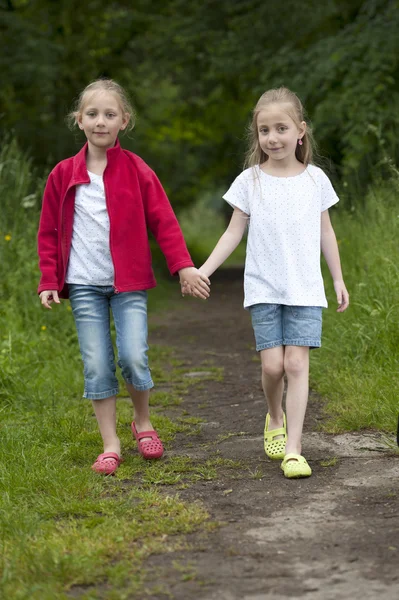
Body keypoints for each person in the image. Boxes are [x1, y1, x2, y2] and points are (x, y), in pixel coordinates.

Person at [38, 78, 210, 475]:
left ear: (124, 121)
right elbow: (48, 232)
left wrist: (183, 265)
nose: (101, 121)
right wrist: (49, 279)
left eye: (110, 115)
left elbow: (163, 220)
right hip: (83, 285)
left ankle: (143, 422)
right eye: (93, 114)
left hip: (128, 283)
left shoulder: (136, 170)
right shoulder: (63, 174)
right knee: (97, 363)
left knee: (133, 356)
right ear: (79, 120)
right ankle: (111, 442)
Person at [182, 87, 349, 478]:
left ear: (300, 131)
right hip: (263, 288)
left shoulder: (316, 180)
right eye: (264, 130)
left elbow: (327, 233)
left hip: (306, 288)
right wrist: (203, 270)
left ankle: (294, 449)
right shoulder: (250, 181)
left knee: (295, 363)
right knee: (273, 367)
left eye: (281, 128)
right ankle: (274, 415)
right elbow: (232, 234)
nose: (272, 138)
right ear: (256, 136)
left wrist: (337, 278)